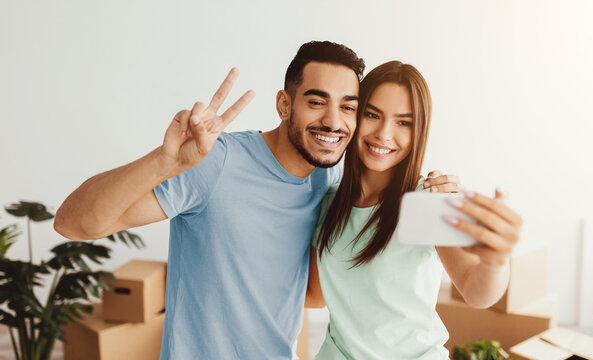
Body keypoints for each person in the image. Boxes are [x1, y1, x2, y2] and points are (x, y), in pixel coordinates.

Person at [54, 41, 366, 359]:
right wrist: (163, 161)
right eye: (316, 102)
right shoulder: (214, 161)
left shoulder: (327, 181)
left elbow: (312, 296)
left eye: (348, 107)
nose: (333, 121)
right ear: (284, 105)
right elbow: (72, 224)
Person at [306, 61, 523, 359]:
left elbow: (476, 292)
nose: (384, 134)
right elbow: (314, 296)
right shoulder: (329, 203)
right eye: (372, 115)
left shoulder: (427, 199)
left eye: (403, 122)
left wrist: (495, 263)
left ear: (419, 131)